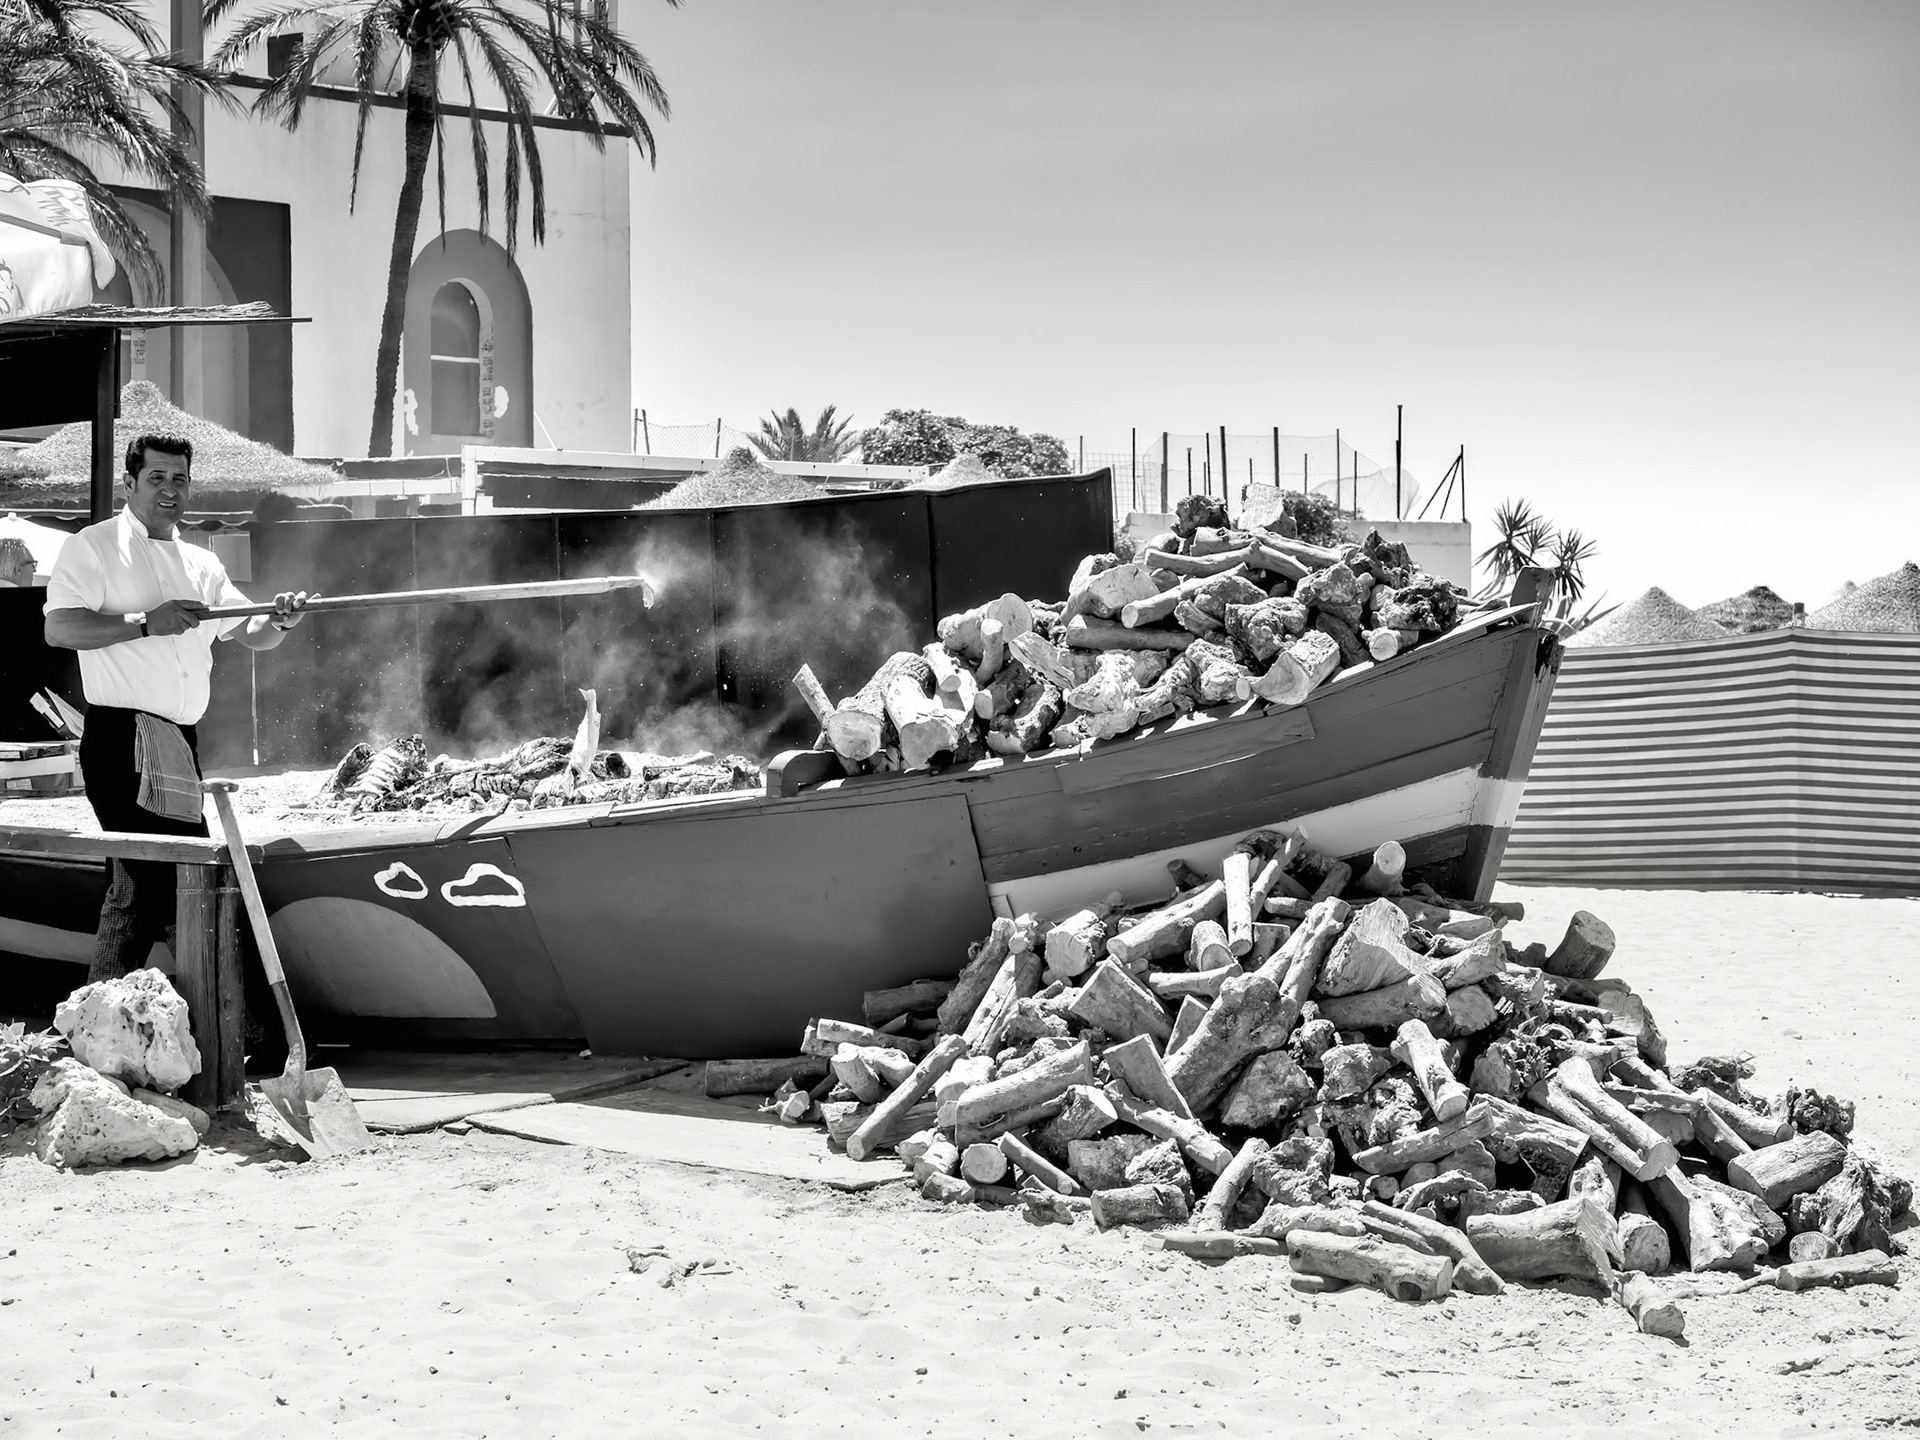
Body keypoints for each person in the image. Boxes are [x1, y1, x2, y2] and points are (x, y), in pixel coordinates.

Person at [43, 432, 318, 982]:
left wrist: (282, 618)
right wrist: (146, 621)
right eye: (157, 478)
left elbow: (253, 631)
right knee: (172, 881)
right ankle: (234, 1017)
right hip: (125, 737)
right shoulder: (93, 546)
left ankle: (98, 1020)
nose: (170, 489)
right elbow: (58, 627)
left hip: (179, 742)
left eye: (180, 479)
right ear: (130, 482)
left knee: (139, 882)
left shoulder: (201, 562)